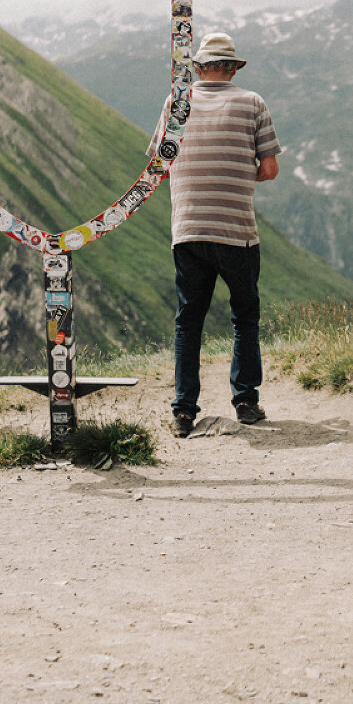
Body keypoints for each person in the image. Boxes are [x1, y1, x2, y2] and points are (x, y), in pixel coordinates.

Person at [147, 32, 281, 437]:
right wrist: (240, 174)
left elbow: (158, 159)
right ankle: (246, 402)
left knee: (189, 321)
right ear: (232, 68)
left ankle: (184, 412)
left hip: (187, 229)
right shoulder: (252, 102)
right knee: (244, 317)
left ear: (200, 68)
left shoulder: (177, 103)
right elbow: (270, 169)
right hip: (237, 231)